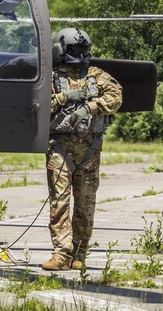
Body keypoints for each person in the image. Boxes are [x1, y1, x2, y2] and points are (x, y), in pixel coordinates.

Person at [42, 28, 122, 272]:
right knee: (60, 204)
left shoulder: (97, 76)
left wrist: (89, 108)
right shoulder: (50, 77)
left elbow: (116, 97)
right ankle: (61, 254)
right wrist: (64, 98)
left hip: (90, 148)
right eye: (74, 50)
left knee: (86, 205)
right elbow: (37, 104)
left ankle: (79, 255)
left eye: (82, 50)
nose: (79, 54)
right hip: (60, 148)